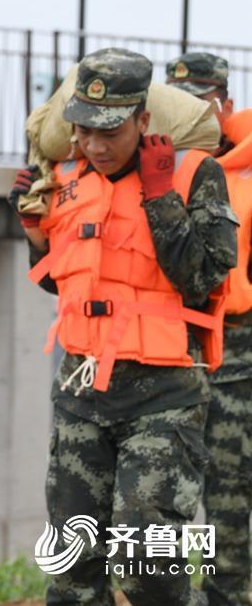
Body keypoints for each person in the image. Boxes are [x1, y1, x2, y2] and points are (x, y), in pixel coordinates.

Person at [9, 47, 238, 605]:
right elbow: (69, 284)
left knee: (145, 566)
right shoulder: (65, 179)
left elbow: (204, 278)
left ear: (142, 120)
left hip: (163, 394)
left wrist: (160, 198)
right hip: (81, 391)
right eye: (84, 131)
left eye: (109, 132)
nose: (95, 145)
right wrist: (34, 234)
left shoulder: (193, 174)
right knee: (72, 570)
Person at [167, 51, 252, 606]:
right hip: (165, 348)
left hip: (238, 351)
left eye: (201, 102)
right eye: (180, 103)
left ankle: (227, 596)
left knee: (229, 487)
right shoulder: (153, 168)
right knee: (159, 487)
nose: (192, 113)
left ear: (225, 103)